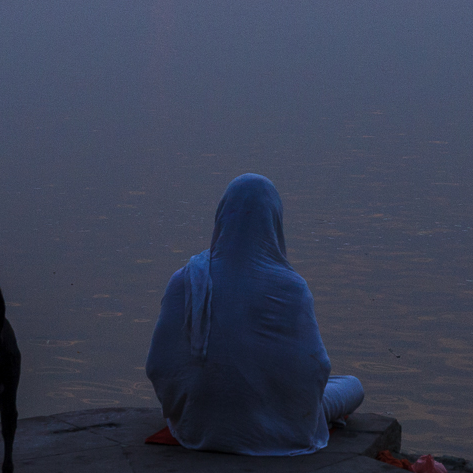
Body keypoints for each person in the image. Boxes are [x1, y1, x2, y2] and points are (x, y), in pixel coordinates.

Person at [145, 174, 364, 455]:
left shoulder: (186, 279)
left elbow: (158, 366)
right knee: (352, 386)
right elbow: (316, 368)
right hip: (279, 427)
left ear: (221, 217)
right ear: (275, 223)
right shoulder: (291, 287)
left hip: (198, 425)